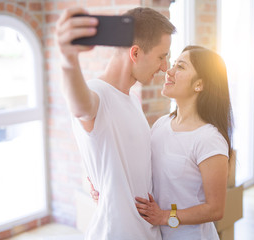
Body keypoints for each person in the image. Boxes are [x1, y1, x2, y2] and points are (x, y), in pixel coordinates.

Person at [55, 6, 176, 240]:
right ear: (136, 53)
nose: (164, 67)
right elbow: (79, 105)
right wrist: (68, 58)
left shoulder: (132, 99)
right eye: (162, 56)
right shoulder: (96, 94)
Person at [91, 45, 234, 239]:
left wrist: (165, 216)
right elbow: (141, 167)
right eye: (173, 64)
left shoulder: (209, 139)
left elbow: (215, 209)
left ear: (199, 84)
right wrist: (105, 186)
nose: (169, 71)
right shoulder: (161, 125)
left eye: (180, 67)